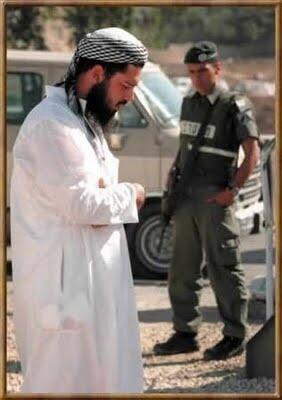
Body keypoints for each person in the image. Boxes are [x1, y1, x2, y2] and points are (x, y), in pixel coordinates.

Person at [10, 27, 148, 393]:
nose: (130, 97)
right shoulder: (51, 124)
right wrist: (129, 194)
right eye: (127, 86)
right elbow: (80, 203)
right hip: (63, 292)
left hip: (91, 289)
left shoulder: (84, 123)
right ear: (98, 73)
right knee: (62, 382)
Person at [154, 41, 260, 360]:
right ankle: (185, 333)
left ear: (217, 68)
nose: (197, 78)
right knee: (182, 269)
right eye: (191, 72)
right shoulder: (189, 103)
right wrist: (173, 174)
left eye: (202, 71)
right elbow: (186, 146)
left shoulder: (233, 104)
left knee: (223, 268)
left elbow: (252, 152)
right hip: (186, 199)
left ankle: (234, 335)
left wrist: (233, 191)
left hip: (215, 199)